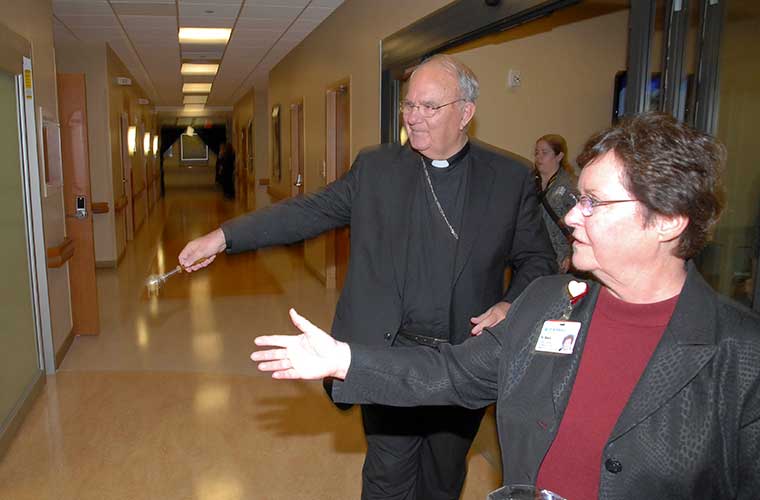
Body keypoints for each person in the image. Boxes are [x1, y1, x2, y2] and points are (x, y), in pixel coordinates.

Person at [252, 112, 760, 500]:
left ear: (669, 220)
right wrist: (345, 359)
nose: (571, 219)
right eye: (577, 198)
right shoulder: (547, 304)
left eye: (594, 203)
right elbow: (452, 373)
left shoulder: (742, 357)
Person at [179, 54, 557, 499]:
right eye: (408, 105)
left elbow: (539, 261)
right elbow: (308, 211)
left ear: (466, 113)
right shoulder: (377, 169)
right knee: (386, 477)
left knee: (443, 477)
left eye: (428, 107)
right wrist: (223, 237)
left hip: (460, 363)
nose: (413, 117)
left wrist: (509, 305)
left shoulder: (509, 179)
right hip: (386, 355)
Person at [534, 134, 577, 272]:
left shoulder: (570, 185)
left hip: (558, 256)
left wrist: (571, 254)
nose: (539, 157)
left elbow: (581, 224)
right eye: (536, 152)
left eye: (544, 152)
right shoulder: (529, 182)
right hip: (532, 255)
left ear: (559, 156)